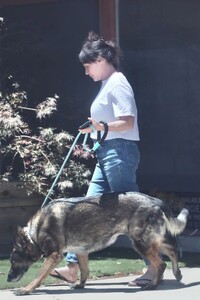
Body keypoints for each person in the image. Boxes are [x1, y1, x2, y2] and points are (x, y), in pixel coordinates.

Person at [50, 31, 152, 287]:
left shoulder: (117, 82)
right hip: (107, 152)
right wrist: (95, 129)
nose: (86, 72)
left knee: (134, 212)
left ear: (100, 60)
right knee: (86, 209)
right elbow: (109, 123)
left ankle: (153, 267)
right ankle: (73, 268)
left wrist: (101, 128)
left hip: (119, 152)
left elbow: (127, 121)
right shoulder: (108, 84)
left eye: (87, 66)